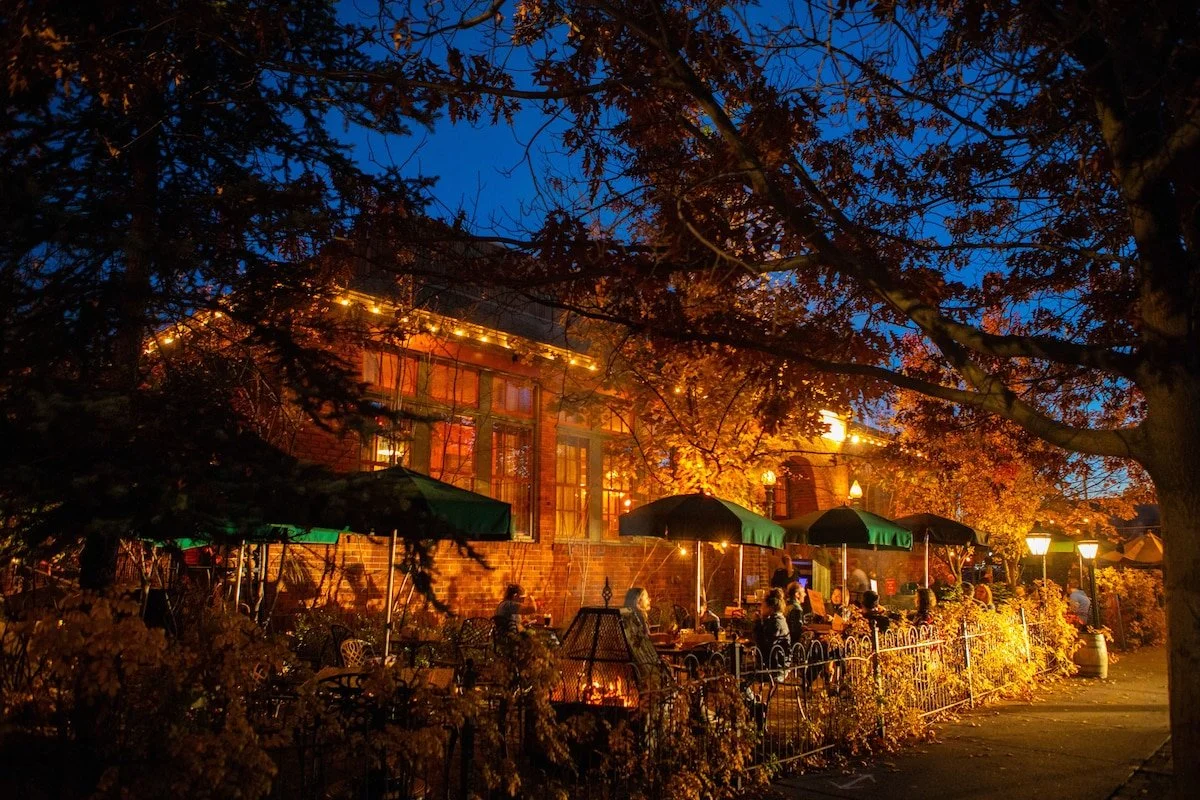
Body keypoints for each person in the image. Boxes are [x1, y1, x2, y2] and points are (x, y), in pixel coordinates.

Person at [753, 588, 791, 668]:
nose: (761, 608)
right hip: (774, 662)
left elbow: (763, 645)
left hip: (775, 666)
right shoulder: (774, 619)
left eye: (763, 605)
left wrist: (757, 623)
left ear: (770, 607)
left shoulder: (776, 622)